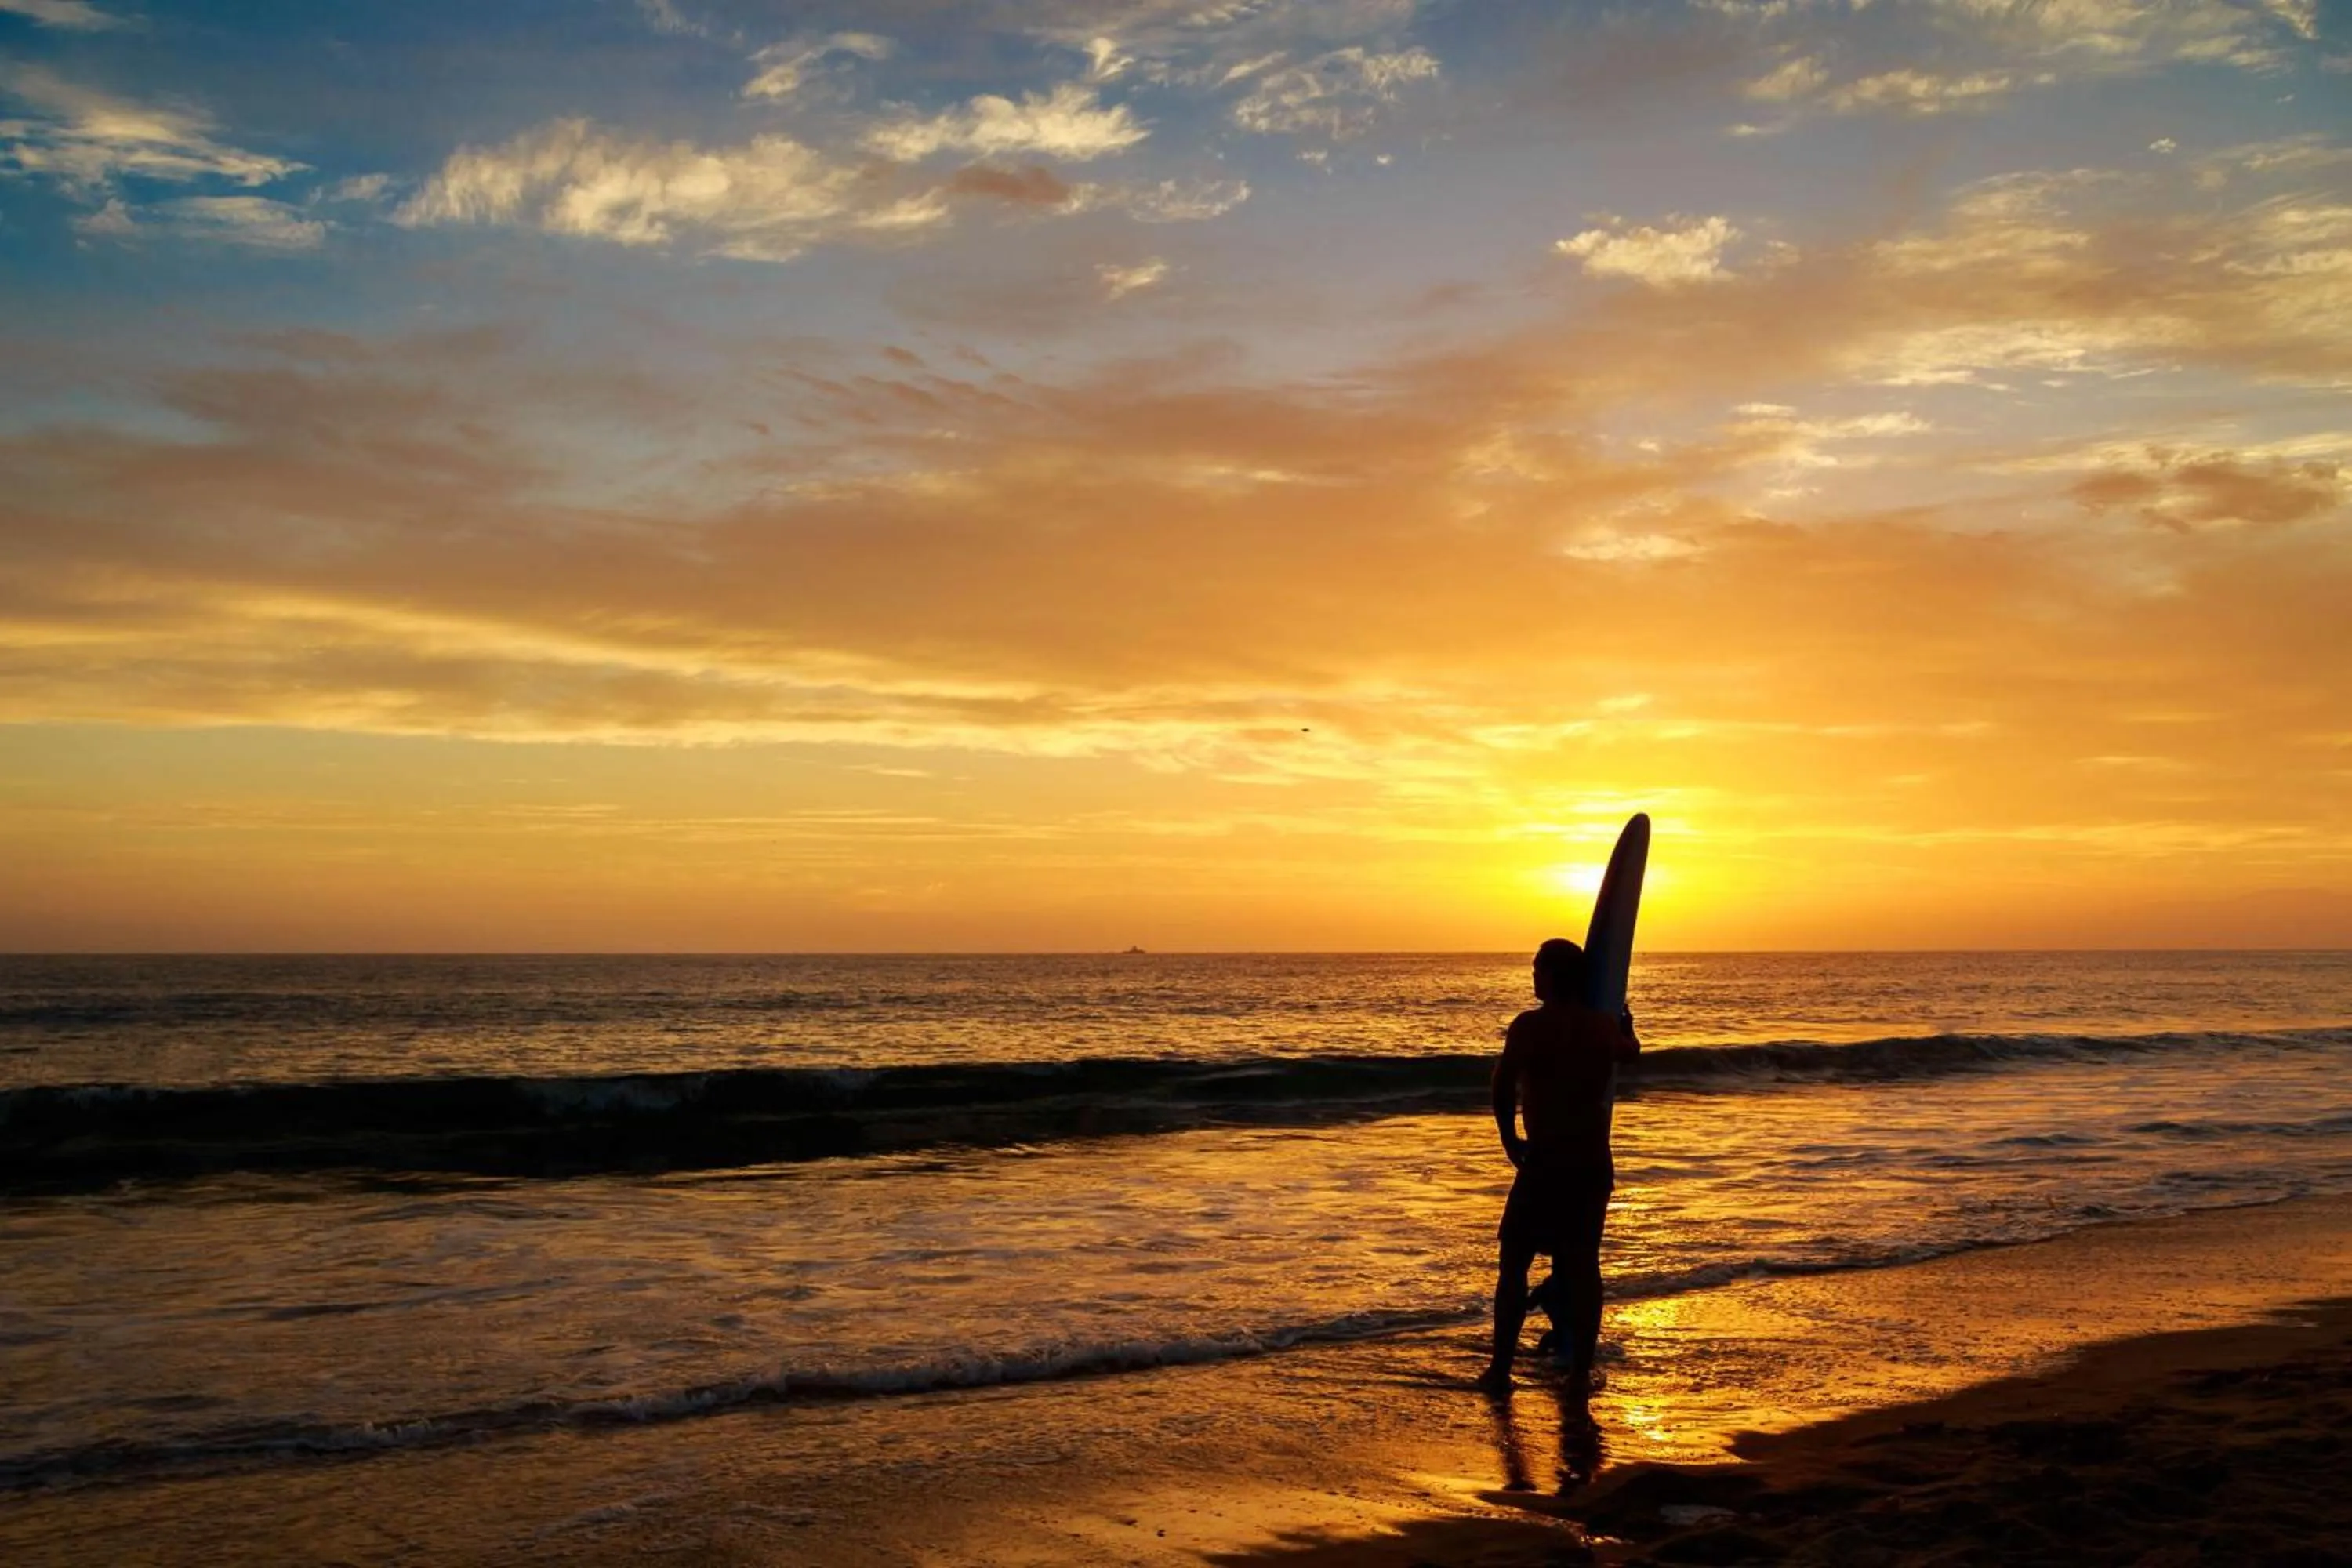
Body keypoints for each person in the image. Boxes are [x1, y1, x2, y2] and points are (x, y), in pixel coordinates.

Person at [1476, 937, 1639, 1392]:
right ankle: (1581, 1372)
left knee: (1514, 1262)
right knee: (1584, 1265)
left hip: (1546, 1162)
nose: (1533, 975)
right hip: (1590, 1162)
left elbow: (1503, 1084)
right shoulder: (1603, 1028)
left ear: (1554, 976)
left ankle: (1500, 1371)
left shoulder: (1529, 1027)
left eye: (1538, 969)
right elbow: (1631, 1052)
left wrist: (1509, 1138)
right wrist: (1628, 1026)